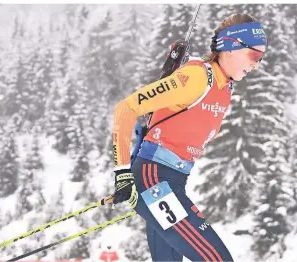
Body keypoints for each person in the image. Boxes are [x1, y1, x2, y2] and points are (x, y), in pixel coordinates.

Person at [110, 13, 267, 262]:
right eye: (254, 55)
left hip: (172, 181)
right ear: (232, 46)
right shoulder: (196, 77)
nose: (257, 64)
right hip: (154, 180)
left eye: (262, 57)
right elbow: (126, 109)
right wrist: (122, 172)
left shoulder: (224, 88)